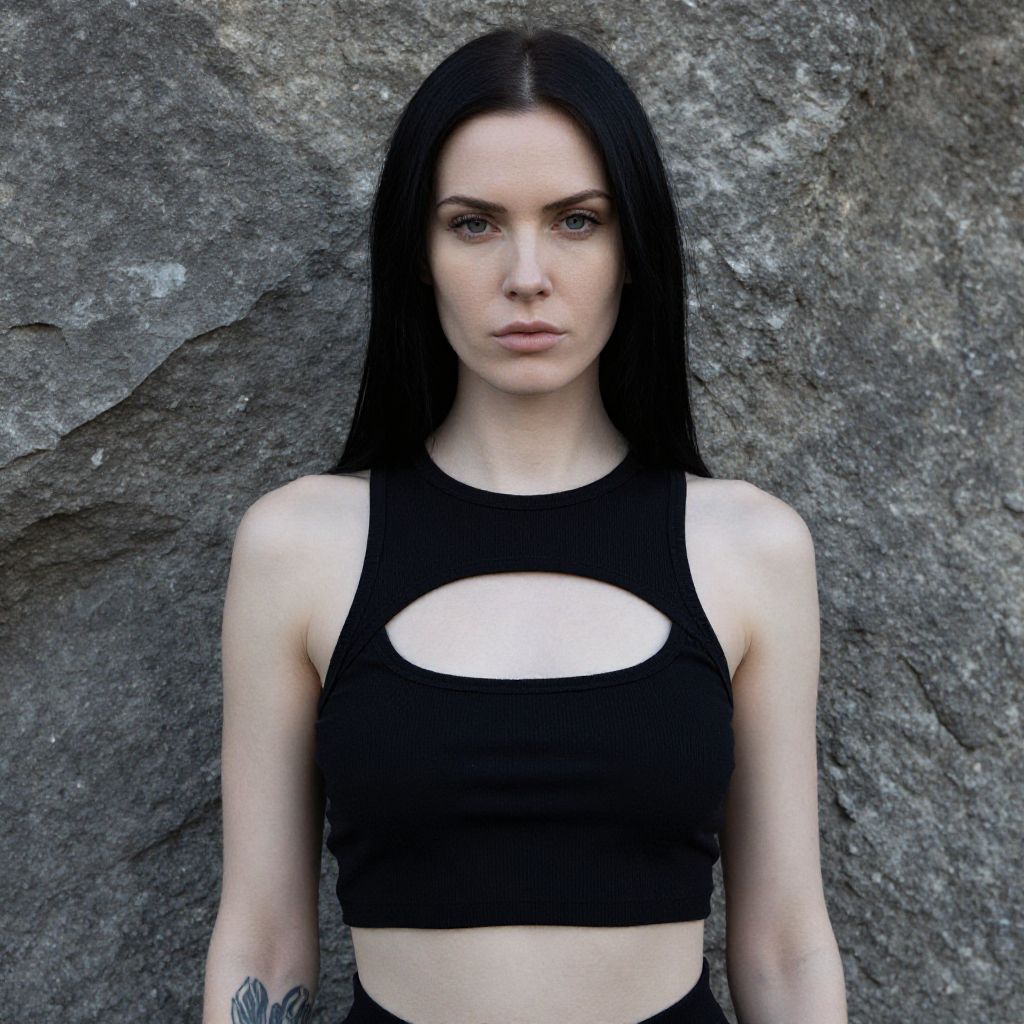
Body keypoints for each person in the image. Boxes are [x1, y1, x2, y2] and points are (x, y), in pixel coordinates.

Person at [202, 26, 849, 1024]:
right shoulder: (300, 548)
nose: (527, 274)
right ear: (416, 253)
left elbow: (783, 943)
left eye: (577, 221)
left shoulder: (748, 550)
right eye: (473, 224)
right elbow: (263, 933)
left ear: (633, 246)